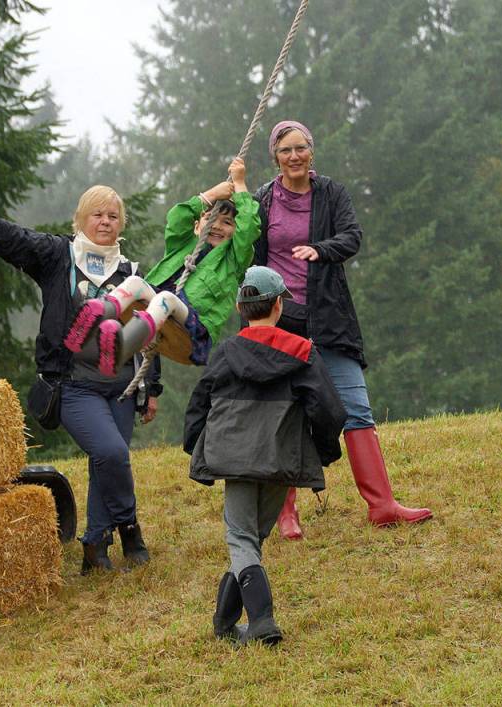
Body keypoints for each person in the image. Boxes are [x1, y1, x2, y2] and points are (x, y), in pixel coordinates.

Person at [0, 178, 160, 575]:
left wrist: (151, 386)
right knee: (111, 453)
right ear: (80, 219)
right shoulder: (59, 256)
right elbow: (14, 240)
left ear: (120, 224)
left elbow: (151, 330)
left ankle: (95, 547)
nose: (105, 222)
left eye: (112, 216)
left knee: (105, 463)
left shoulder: (131, 272)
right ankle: (129, 528)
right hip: (73, 385)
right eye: (97, 214)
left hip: (122, 387)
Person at [253, 120, 432, 539]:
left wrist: (320, 249)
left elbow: (352, 237)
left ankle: (382, 505)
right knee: (283, 410)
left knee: (356, 408)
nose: (294, 156)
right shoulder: (261, 201)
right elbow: (245, 248)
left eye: (301, 148)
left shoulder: (332, 194)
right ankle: (285, 513)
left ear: (311, 152)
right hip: (278, 318)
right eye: (285, 151)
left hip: (330, 315)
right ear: (275, 157)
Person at [184, 266, 346, 645]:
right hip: (279, 457)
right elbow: (330, 410)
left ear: (241, 307)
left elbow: (199, 402)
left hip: (234, 457)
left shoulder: (226, 353)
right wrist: (324, 449)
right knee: (251, 539)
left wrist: (198, 446)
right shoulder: (303, 352)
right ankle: (224, 625)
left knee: (242, 539)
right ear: (277, 305)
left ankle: (261, 622)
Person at [64, 158, 260, 374]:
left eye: (227, 222)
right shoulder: (182, 245)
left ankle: (121, 350)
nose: (217, 226)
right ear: (197, 226)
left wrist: (240, 184)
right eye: (210, 219)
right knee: (135, 282)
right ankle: (95, 316)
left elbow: (249, 227)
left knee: (165, 298)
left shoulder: (233, 259)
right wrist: (211, 195)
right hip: (158, 312)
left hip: (193, 331)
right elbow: (177, 217)